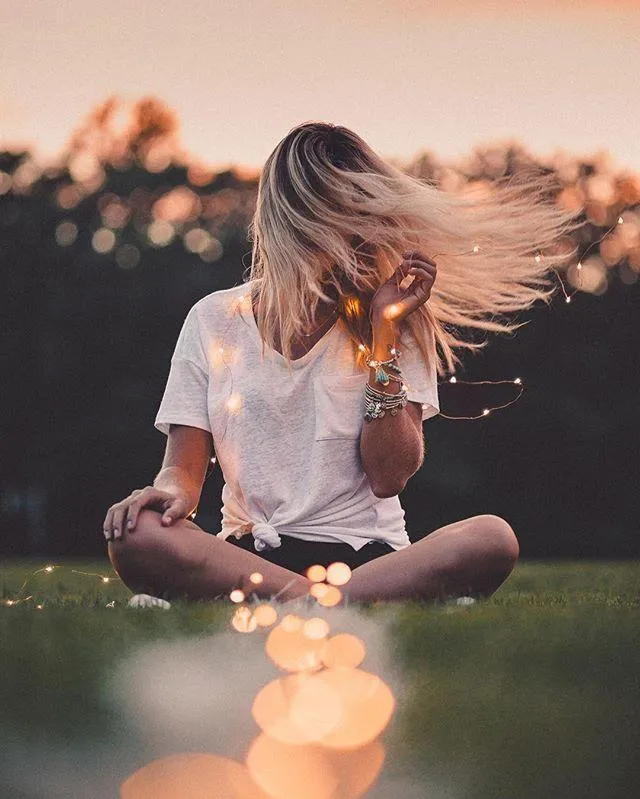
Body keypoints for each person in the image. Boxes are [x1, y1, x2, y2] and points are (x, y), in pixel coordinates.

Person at [104, 122, 583, 605]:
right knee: (136, 533)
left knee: (493, 538)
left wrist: (383, 337)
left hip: (368, 559)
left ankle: (302, 600)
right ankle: (322, 600)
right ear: (290, 220)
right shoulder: (214, 319)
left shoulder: (394, 319)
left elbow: (389, 476)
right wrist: (168, 495)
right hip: (251, 555)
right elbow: (182, 468)